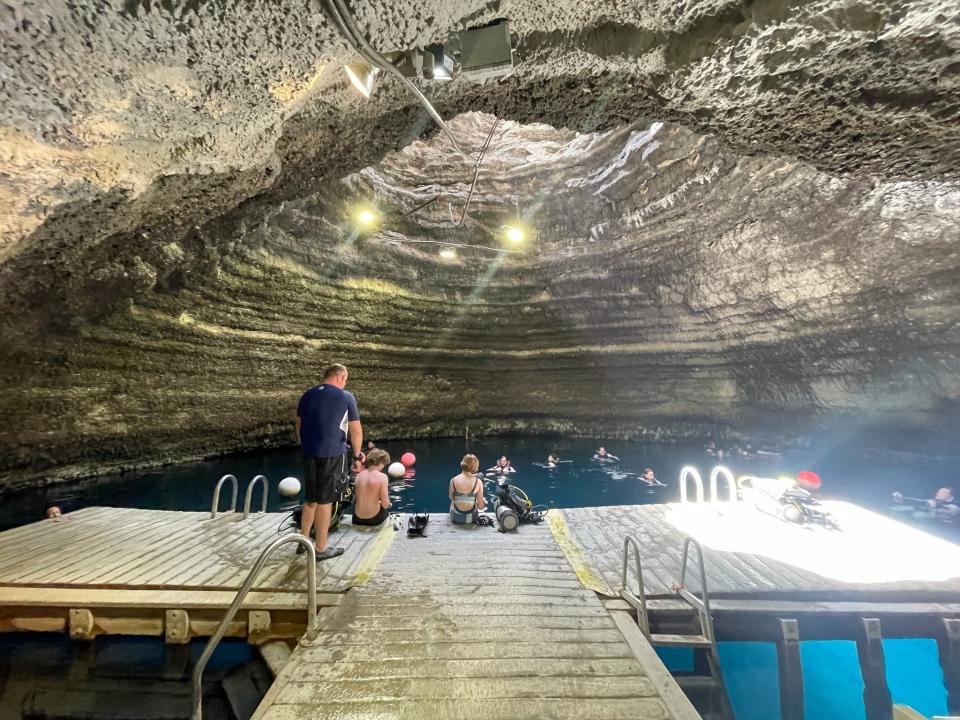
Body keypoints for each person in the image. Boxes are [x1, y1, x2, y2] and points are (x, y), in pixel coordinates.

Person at [295, 363, 363, 561]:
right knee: (326, 500)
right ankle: (321, 548)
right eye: (346, 379)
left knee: (311, 499)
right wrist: (357, 456)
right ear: (340, 377)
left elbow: (298, 426)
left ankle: (303, 541)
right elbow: (356, 430)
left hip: (309, 452)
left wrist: (305, 444)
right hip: (333, 453)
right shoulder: (346, 397)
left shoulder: (307, 395)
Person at [352, 449, 392, 527]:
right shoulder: (382, 477)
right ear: (381, 462)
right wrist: (389, 504)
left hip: (357, 519)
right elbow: (385, 504)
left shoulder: (359, 476)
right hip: (374, 519)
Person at [449, 454, 486, 524]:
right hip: (471, 518)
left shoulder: (453, 480)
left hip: (456, 518)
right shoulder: (478, 482)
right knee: (475, 500)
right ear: (475, 466)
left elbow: (451, 498)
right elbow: (481, 507)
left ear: (462, 464)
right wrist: (477, 501)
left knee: (453, 501)